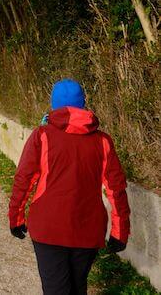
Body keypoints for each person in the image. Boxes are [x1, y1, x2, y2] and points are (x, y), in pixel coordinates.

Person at [8, 78, 131, 295]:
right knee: (77, 287)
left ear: (54, 105)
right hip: (88, 230)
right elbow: (116, 189)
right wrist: (120, 232)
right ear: (83, 104)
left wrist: (16, 218)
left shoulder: (42, 136)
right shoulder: (103, 141)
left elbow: (23, 179)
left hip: (48, 229)